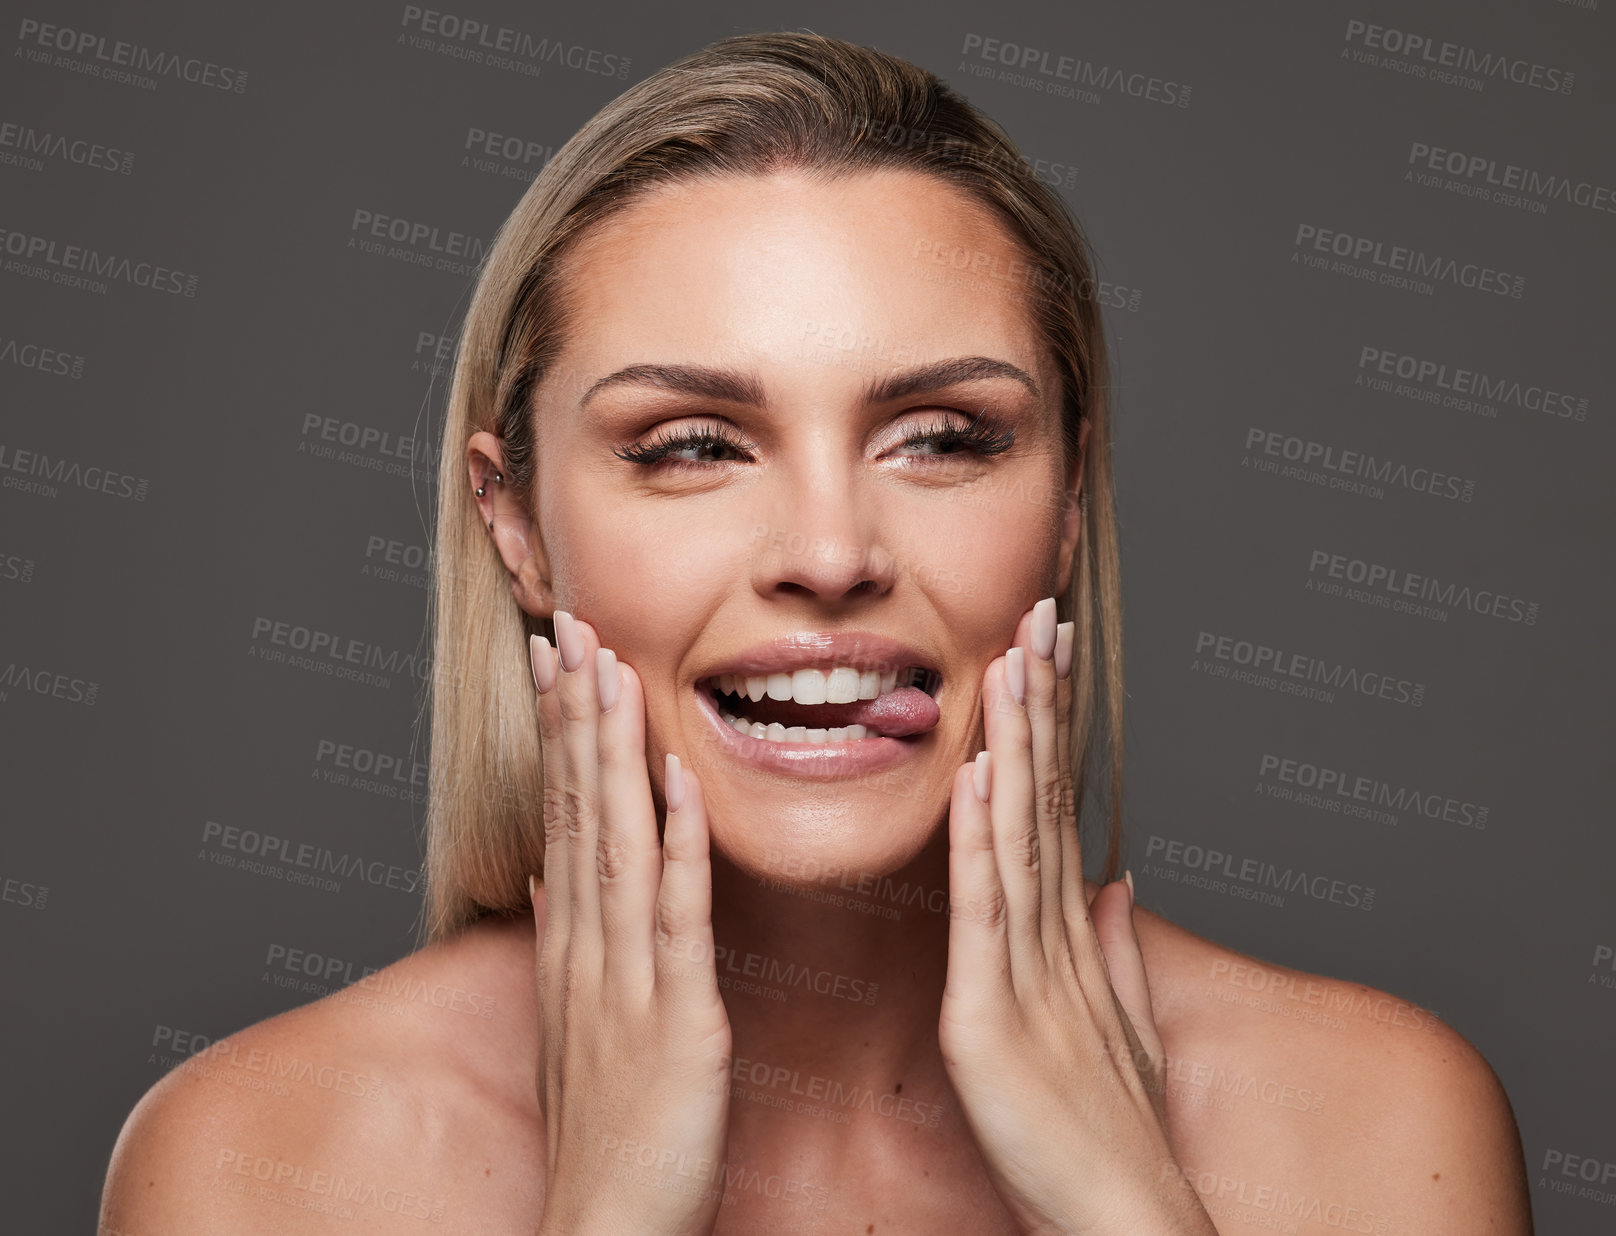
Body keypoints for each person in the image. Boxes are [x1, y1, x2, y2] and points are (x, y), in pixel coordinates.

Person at [101, 30, 1533, 1234]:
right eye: (690, 447)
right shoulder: (262, 1164)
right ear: (518, 528)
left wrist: (1127, 1204)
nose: (833, 555)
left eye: (941, 436)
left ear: (1072, 499)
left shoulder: (1370, 1126)